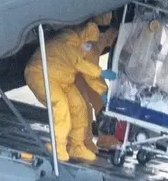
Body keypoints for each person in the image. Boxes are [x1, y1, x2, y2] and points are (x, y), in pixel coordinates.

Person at [24, 21, 117, 163]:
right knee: (61, 107)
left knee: (79, 107)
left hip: (63, 79)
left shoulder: (84, 45)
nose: (90, 46)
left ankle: (76, 146)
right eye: (88, 42)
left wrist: (102, 91)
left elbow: (88, 71)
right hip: (41, 73)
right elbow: (78, 63)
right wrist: (101, 72)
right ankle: (58, 147)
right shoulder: (68, 40)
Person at [74, 12, 121, 153]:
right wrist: (101, 90)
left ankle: (105, 138)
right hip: (75, 74)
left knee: (102, 104)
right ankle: (83, 142)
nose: (113, 40)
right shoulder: (92, 43)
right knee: (84, 108)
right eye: (113, 36)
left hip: (87, 73)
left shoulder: (98, 42)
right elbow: (88, 69)